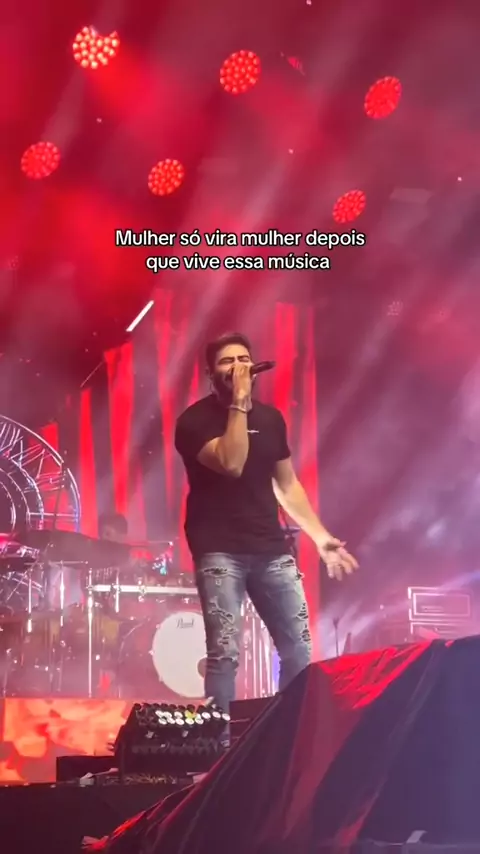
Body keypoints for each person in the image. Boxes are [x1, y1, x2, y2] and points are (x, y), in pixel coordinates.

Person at [174, 332, 358, 715]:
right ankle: (219, 743)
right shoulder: (193, 421)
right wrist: (239, 403)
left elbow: (287, 485)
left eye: (244, 359)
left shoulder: (271, 419)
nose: (238, 366)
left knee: (299, 647)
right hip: (219, 549)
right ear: (211, 374)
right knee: (225, 653)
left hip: (271, 549)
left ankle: (284, 734)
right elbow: (232, 462)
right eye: (227, 361)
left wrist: (321, 538)